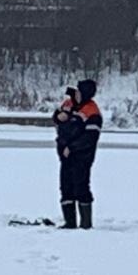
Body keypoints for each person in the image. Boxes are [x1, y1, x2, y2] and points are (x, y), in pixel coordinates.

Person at [52, 78, 102, 229]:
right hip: (65, 156)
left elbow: (90, 138)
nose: (77, 93)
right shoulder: (68, 103)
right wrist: (58, 117)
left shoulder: (92, 111)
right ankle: (70, 222)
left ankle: (86, 224)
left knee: (81, 187)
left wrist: (72, 148)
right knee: (65, 188)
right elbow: (57, 119)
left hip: (82, 157)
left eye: (80, 91)